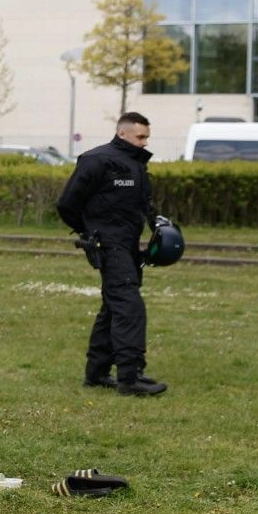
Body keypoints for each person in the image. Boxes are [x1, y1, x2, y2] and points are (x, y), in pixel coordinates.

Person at [56, 112, 166, 396]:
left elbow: (145, 206)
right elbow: (67, 204)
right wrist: (90, 232)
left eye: (146, 137)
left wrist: (160, 228)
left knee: (113, 306)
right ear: (123, 133)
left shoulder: (137, 166)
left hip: (129, 246)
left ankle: (97, 373)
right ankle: (130, 377)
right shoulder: (97, 160)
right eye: (140, 137)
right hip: (109, 245)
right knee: (129, 307)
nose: (144, 143)